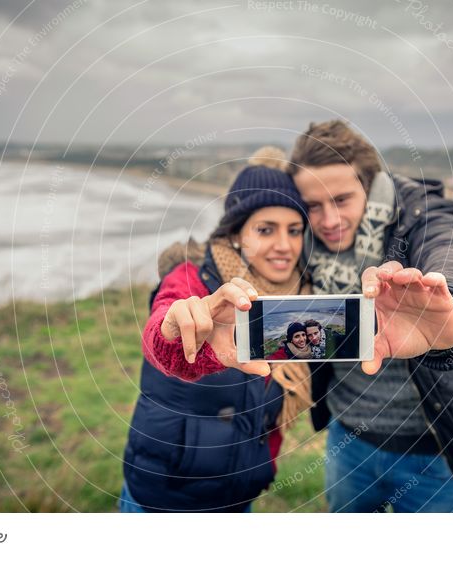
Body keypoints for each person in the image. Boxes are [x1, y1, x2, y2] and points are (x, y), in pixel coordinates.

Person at [286, 120, 453, 512]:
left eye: (341, 200)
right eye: (313, 205)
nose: (327, 220)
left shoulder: (419, 214)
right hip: (347, 441)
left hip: (433, 451)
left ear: (370, 185)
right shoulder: (298, 240)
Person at [121, 147, 316, 512]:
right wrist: (176, 332)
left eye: (294, 230)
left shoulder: (299, 302)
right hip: (164, 498)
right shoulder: (192, 278)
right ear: (237, 232)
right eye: (265, 229)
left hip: (240, 494)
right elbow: (163, 339)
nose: (284, 245)